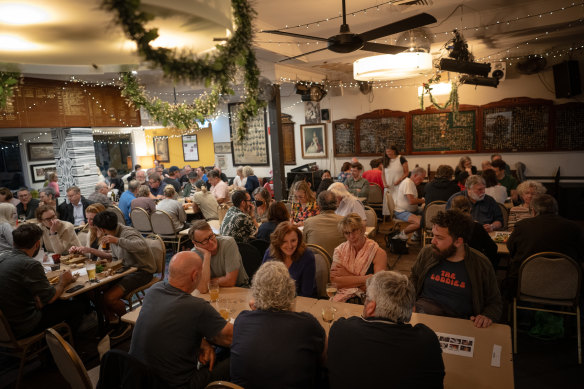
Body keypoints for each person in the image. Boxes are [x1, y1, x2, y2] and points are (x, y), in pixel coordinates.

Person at [130, 251, 233, 389]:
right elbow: (232, 337)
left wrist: (203, 343)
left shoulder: (154, 290)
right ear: (195, 275)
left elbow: (171, 327)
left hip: (138, 379)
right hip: (179, 385)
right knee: (236, 359)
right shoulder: (197, 306)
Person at [327, 271, 445, 389]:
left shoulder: (341, 329)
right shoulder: (427, 341)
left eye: (365, 298)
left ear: (371, 307)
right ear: (412, 309)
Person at [231, 261, 325, 389]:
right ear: (291, 290)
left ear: (256, 292)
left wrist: (259, 308)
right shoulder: (307, 324)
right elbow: (323, 351)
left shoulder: (242, 320)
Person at [71, 211, 156, 338]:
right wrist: (90, 250)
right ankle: (111, 318)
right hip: (126, 269)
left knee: (109, 298)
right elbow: (115, 257)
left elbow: (142, 246)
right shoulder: (111, 234)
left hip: (142, 271)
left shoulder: (127, 232)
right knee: (91, 291)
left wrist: (117, 240)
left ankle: (125, 322)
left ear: (101, 228)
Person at [410, 210, 502, 327]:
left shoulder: (481, 264)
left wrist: (487, 316)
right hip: (424, 316)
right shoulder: (427, 253)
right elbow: (413, 278)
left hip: (461, 323)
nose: (433, 241)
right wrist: (409, 301)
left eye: (439, 237)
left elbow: (494, 302)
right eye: (433, 235)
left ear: (458, 242)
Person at [0, 224, 82, 339]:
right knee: (78, 306)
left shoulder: (2, 257)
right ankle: (63, 350)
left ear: (14, 243)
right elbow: (51, 298)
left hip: (5, 327)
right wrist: (64, 281)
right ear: (37, 244)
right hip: (23, 326)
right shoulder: (30, 264)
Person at [505, 194, 583, 296]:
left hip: (526, 283)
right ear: (556, 210)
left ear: (533, 211)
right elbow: (581, 255)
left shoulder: (522, 226)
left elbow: (511, 249)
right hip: (566, 286)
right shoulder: (574, 228)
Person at [330, 213, 387, 303]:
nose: (351, 236)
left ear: (362, 230)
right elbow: (335, 283)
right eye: (347, 233)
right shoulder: (339, 250)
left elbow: (377, 288)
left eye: (354, 231)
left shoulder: (378, 253)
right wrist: (367, 278)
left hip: (368, 301)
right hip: (342, 298)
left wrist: (346, 274)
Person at [190, 220, 249, 290]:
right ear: (195, 243)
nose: (211, 242)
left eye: (211, 236)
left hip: (239, 288)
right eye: (205, 240)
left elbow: (230, 281)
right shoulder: (194, 254)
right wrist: (207, 256)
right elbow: (203, 288)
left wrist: (208, 282)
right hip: (213, 291)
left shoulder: (228, 243)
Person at [262, 222, 316, 297]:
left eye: (293, 241)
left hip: (300, 301)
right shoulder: (270, 253)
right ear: (277, 242)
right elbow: (263, 283)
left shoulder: (307, 256)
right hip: (273, 300)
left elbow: (306, 293)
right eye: (284, 241)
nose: (289, 246)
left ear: (299, 240)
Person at [450, 196, 498, 268]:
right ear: (470, 208)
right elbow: (493, 248)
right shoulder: (477, 227)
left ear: (451, 209)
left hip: (450, 266)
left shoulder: (446, 227)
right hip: (475, 267)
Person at [303, 190, 346, 258]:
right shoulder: (345, 221)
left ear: (318, 205)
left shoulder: (309, 222)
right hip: (339, 264)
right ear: (337, 204)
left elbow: (304, 246)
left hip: (315, 265)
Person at [393, 167, 426, 240]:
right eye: (421, 178)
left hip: (410, 210)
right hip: (401, 211)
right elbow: (411, 201)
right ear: (415, 175)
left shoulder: (411, 183)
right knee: (420, 222)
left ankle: (417, 235)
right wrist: (424, 200)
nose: (422, 180)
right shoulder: (407, 183)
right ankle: (401, 234)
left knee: (427, 213)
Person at [382, 145, 409, 217]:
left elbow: (407, 172)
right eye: (386, 152)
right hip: (388, 187)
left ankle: (399, 218)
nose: (388, 153)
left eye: (389, 151)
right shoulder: (385, 160)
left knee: (398, 206)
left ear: (394, 151)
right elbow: (383, 174)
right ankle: (389, 220)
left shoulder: (401, 158)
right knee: (388, 206)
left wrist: (399, 180)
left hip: (399, 186)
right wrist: (384, 183)